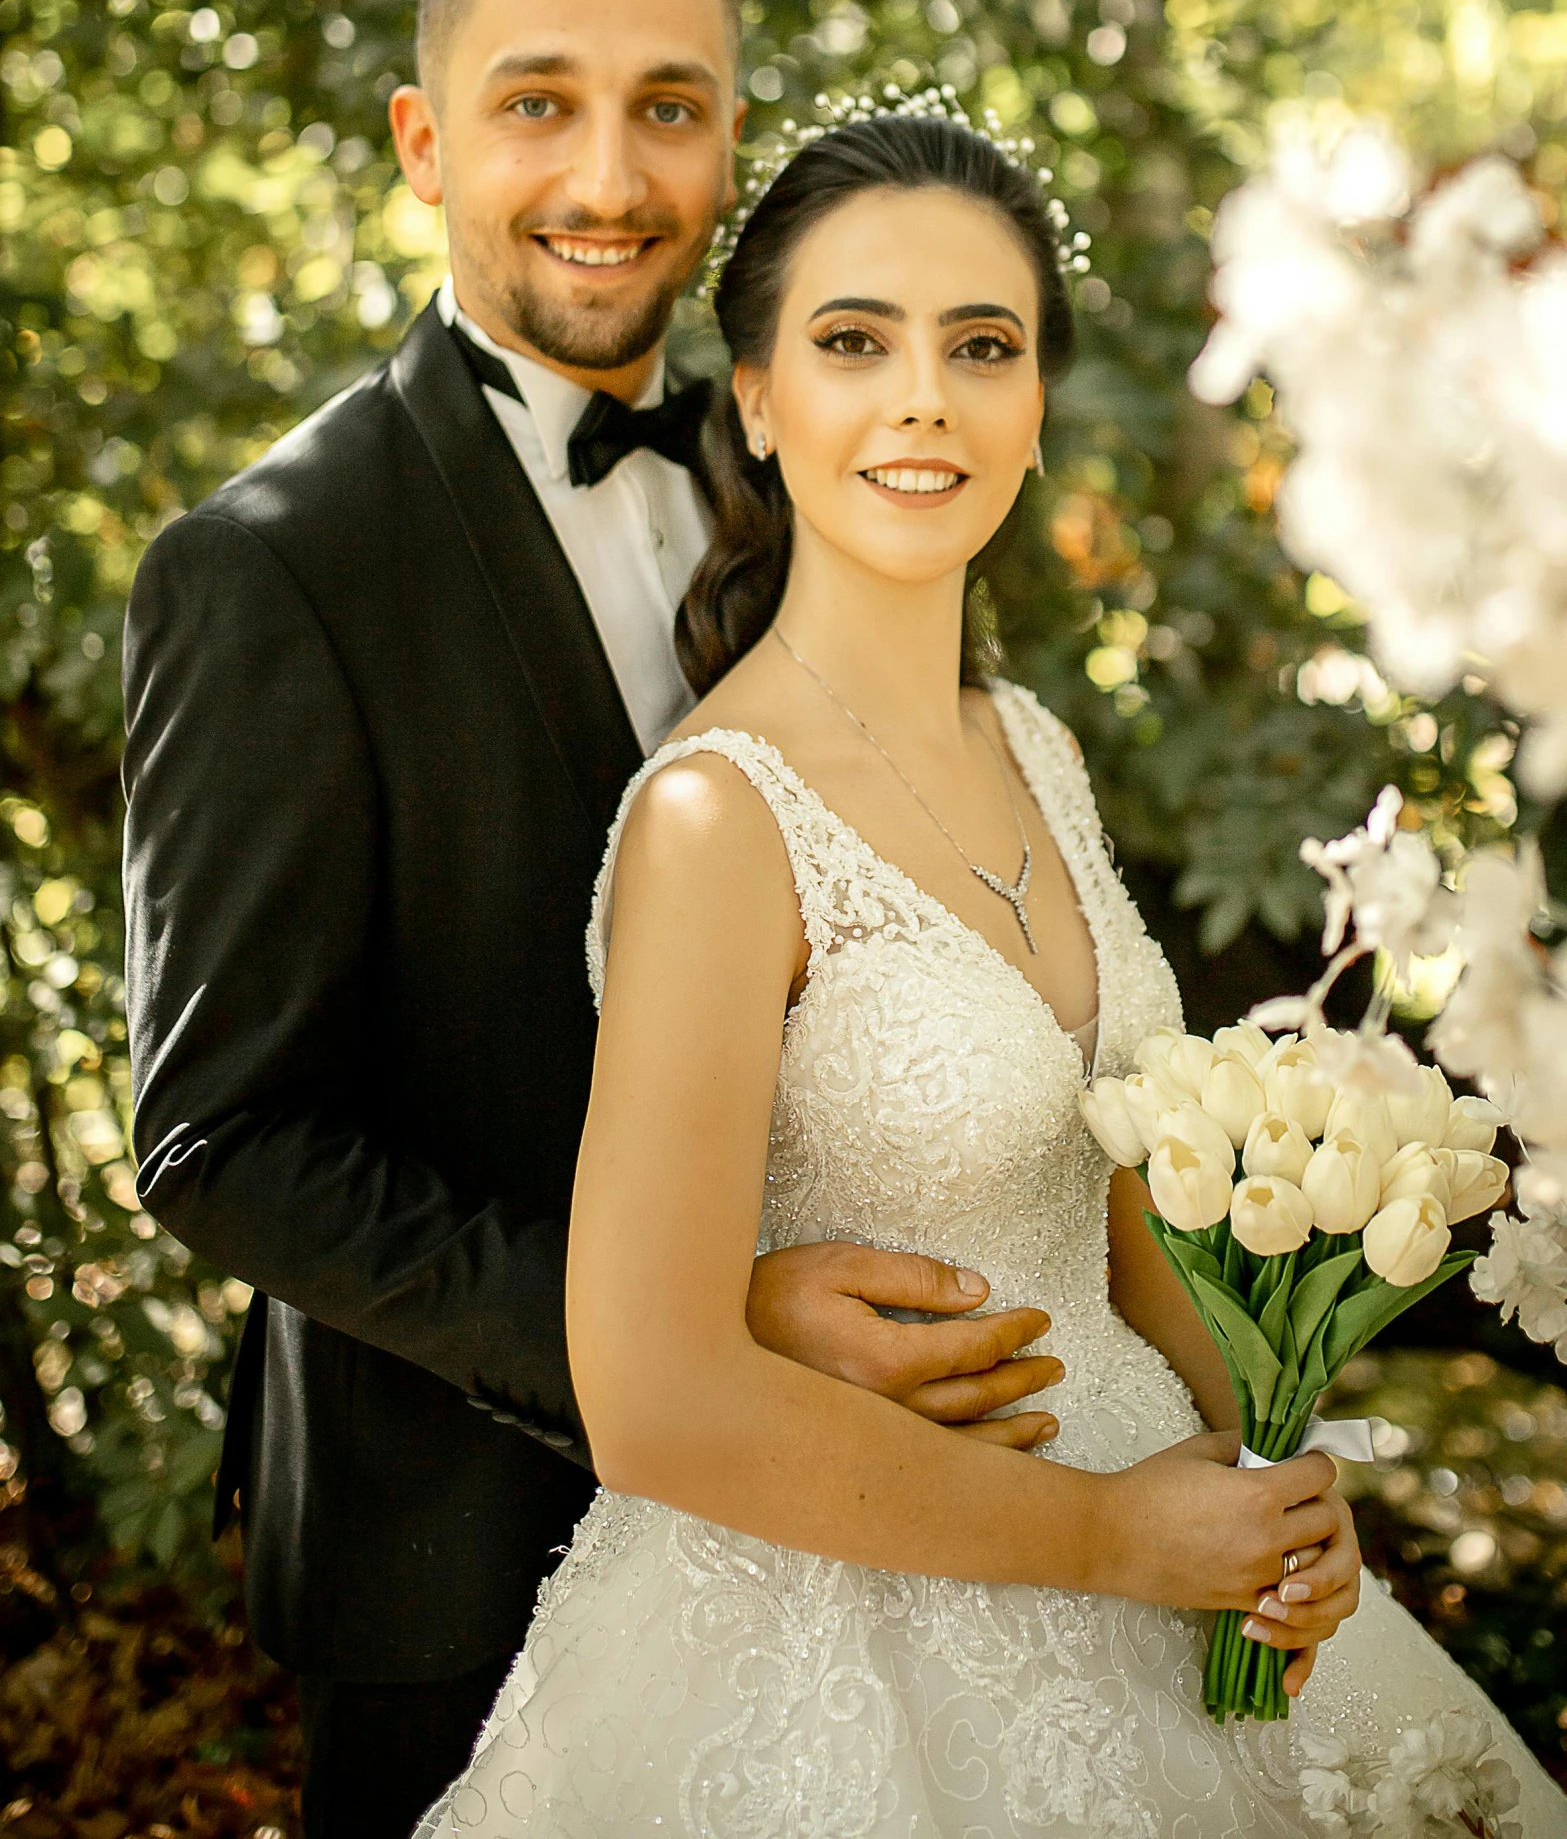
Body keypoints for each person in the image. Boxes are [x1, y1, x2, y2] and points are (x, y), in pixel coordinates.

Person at [416, 109, 1567, 1836]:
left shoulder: (1029, 740)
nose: (921, 400)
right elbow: (649, 1394)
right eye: (852, 342)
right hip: (851, 1633)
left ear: (1034, 409)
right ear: (752, 397)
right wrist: (1107, 1536)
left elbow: (1119, 1214)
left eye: (981, 346)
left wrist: (1267, 1475)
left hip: (1170, 1562)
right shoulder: (715, 820)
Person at [121, 0, 1068, 1839]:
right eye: (539, 99)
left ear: (733, 130)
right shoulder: (271, 567)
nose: (610, 172)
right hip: (458, 1557)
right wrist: (691, 1321)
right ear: (424, 137)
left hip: (858, 1534)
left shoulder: (818, 458)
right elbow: (223, 1138)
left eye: (671, 103)